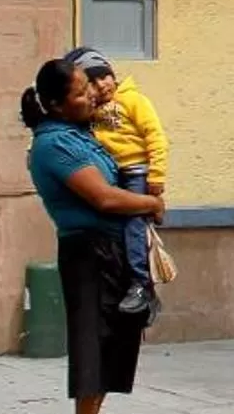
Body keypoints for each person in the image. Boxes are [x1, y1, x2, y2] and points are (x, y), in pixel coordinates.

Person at [22, 56, 164, 414]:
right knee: (94, 337)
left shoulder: (81, 132)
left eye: (89, 88)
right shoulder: (55, 145)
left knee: (117, 334)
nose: (91, 97)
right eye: (81, 93)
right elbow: (102, 196)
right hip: (88, 250)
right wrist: (150, 202)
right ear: (55, 104)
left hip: (111, 246)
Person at [67, 49, 168, 316]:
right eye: (94, 82)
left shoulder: (133, 100)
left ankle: (140, 284)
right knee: (119, 226)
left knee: (134, 223)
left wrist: (156, 175)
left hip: (136, 172)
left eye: (105, 77)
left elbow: (155, 136)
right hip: (114, 173)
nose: (102, 85)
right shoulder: (93, 111)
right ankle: (137, 287)